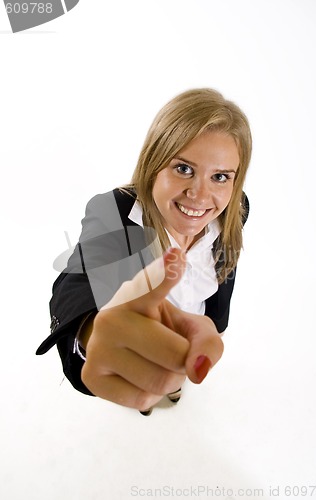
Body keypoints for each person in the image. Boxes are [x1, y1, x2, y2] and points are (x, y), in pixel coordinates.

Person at [36, 88, 252, 416]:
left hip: (188, 333)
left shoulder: (236, 209)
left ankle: (170, 383)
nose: (200, 194)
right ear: (154, 164)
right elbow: (74, 284)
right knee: (144, 384)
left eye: (220, 177)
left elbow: (226, 266)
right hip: (140, 332)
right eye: (183, 169)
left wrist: (216, 324)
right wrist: (93, 332)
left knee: (172, 378)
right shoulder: (113, 210)